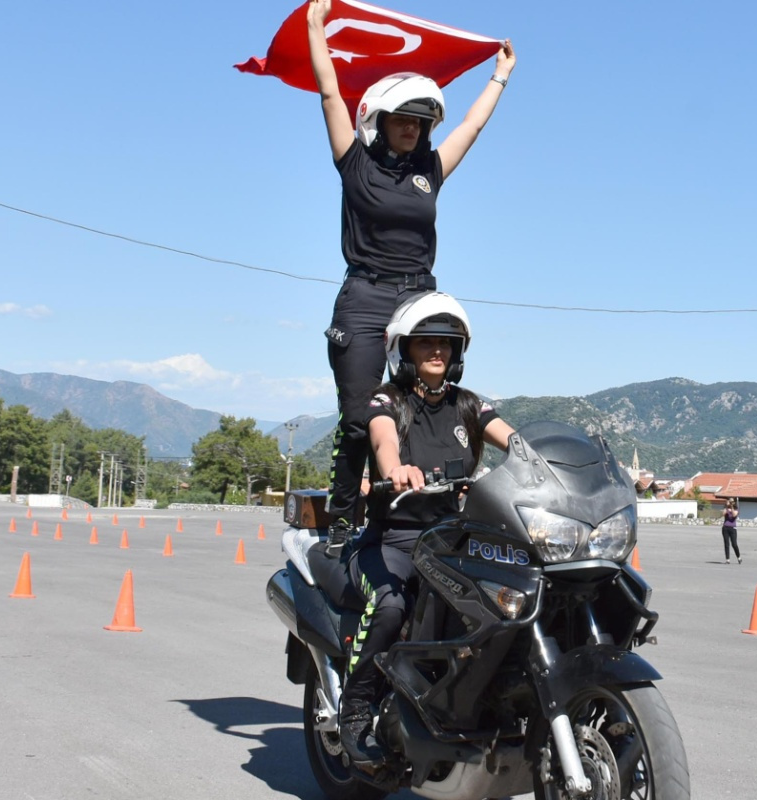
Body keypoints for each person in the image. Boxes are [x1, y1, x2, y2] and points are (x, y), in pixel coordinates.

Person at [306, 0, 517, 552]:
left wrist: (499, 76)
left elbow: (469, 127)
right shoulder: (355, 161)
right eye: (402, 118)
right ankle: (346, 519)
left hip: (419, 297)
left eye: (419, 121)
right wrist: (314, 27)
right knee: (359, 417)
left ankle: (425, 506)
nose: (411, 128)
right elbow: (331, 95)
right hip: (364, 293)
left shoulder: (430, 171)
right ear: (380, 121)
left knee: (430, 398)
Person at [337, 292, 515, 768]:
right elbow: (382, 436)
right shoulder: (387, 399)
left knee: (499, 606)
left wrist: (544, 461)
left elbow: (512, 439)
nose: (438, 351)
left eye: (447, 344)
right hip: (392, 540)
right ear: (405, 350)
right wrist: (395, 468)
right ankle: (354, 711)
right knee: (392, 607)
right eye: (426, 343)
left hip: (453, 541)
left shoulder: (469, 405)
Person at [722, 498, 741, 564]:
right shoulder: (726, 508)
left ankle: (739, 557)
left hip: (733, 528)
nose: (730, 503)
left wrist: (732, 507)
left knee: (734, 544)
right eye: (729, 502)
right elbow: (723, 514)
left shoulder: (736, 509)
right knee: (726, 544)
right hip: (725, 528)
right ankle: (728, 559)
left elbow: (733, 515)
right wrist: (727, 506)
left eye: (731, 502)